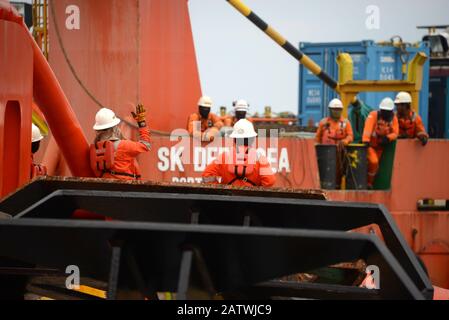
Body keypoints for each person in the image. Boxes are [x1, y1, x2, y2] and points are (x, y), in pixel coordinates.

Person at [202, 119, 276, 187]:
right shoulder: (259, 158)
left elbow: (206, 176)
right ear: (252, 139)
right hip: (252, 199)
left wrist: (220, 189)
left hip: (228, 199)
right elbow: (270, 181)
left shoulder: (224, 156)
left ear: (234, 139)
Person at [90, 104, 151, 181]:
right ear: (114, 127)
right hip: (126, 189)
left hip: (104, 190)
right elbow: (146, 145)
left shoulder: (94, 150)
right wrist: (142, 123)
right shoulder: (124, 146)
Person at [362, 98, 399, 188]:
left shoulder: (393, 118)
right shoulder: (373, 115)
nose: (385, 113)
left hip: (381, 147)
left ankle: (371, 183)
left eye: (387, 111)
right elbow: (368, 128)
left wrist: (388, 138)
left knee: (378, 167)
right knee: (374, 162)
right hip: (370, 146)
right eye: (384, 111)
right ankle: (368, 183)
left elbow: (395, 133)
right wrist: (366, 141)